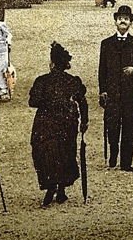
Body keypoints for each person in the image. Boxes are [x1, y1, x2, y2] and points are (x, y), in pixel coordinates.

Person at [28, 42, 89, 206]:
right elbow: (82, 102)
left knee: (45, 152)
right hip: (66, 121)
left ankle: (50, 185)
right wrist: (84, 121)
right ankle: (61, 188)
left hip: (46, 121)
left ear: (52, 63)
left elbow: (33, 102)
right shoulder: (72, 81)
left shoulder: (42, 81)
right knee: (65, 152)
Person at [98, 5, 133, 171]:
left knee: (128, 127)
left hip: (130, 92)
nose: (123, 21)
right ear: (115, 21)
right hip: (112, 92)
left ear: (130, 23)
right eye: (120, 18)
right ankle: (113, 156)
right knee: (112, 126)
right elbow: (102, 69)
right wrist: (102, 90)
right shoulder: (106, 44)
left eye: (126, 19)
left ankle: (126, 162)